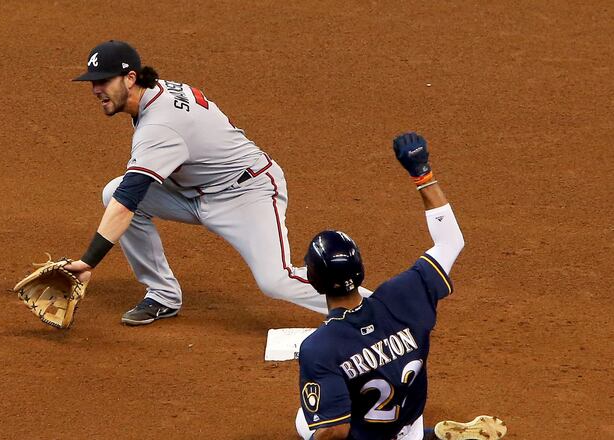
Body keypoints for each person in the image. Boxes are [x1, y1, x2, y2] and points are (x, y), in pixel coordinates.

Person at [64, 40, 371, 325]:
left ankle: (377, 309)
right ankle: (163, 295)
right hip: (195, 191)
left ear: (130, 78)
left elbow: (127, 202)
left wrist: (88, 262)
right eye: (93, 81)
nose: (95, 88)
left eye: (103, 80)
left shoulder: (159, 125)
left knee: (275, 280)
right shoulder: (153, 93)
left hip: (246, 193)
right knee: (113, 192)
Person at [294, 133, 506, 440]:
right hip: (409, 421)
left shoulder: (320, 347)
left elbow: (336, 431)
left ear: (314, 282)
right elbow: (450, 242)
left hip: (370, 434)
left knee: (307, 420)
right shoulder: (405, 294)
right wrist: (423, 174)